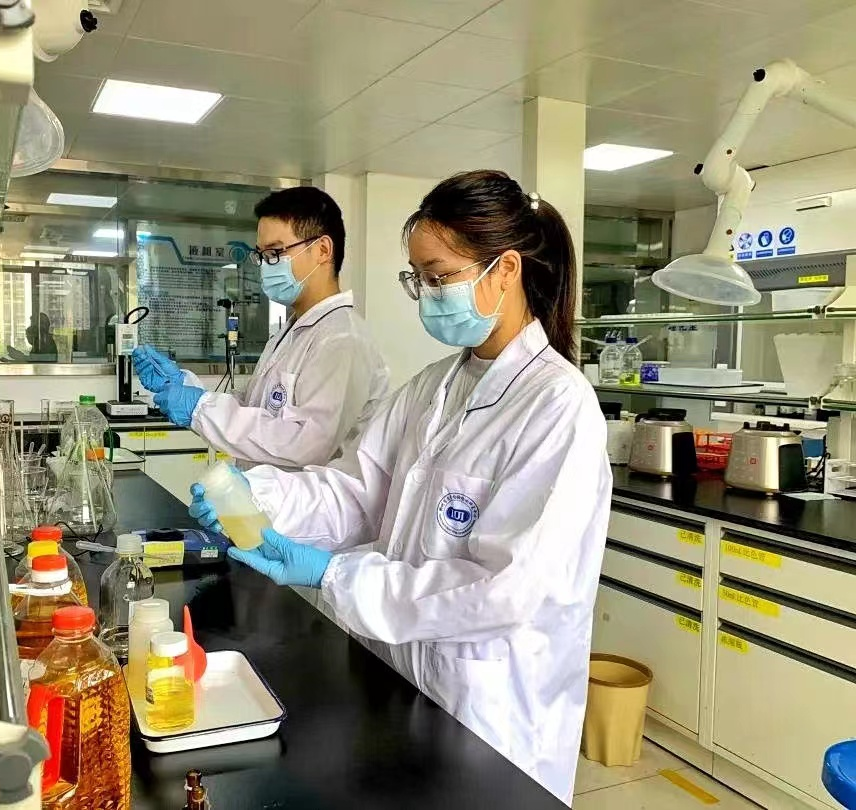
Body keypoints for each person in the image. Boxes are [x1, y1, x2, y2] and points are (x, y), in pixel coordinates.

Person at [190, 171, 612, 805]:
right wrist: (260, 498)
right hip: (400, 677)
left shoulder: (557, 407)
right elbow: (356, 490)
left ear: (505, 270)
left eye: (438, 277)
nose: (427, 297)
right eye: (418, 279)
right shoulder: (433, 388)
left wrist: (334, 575)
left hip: (491, 709)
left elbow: (504, 590)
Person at [133, 186, 389, 470]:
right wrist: (185, 386)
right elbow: (254, 409)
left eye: (275, 252)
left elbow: (306, 443)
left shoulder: (342, 338)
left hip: (306, 498)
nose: (266, 266)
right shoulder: (292, 332)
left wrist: (199, 408)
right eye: (262, 255)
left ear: (322, 250)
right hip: (267, 493)